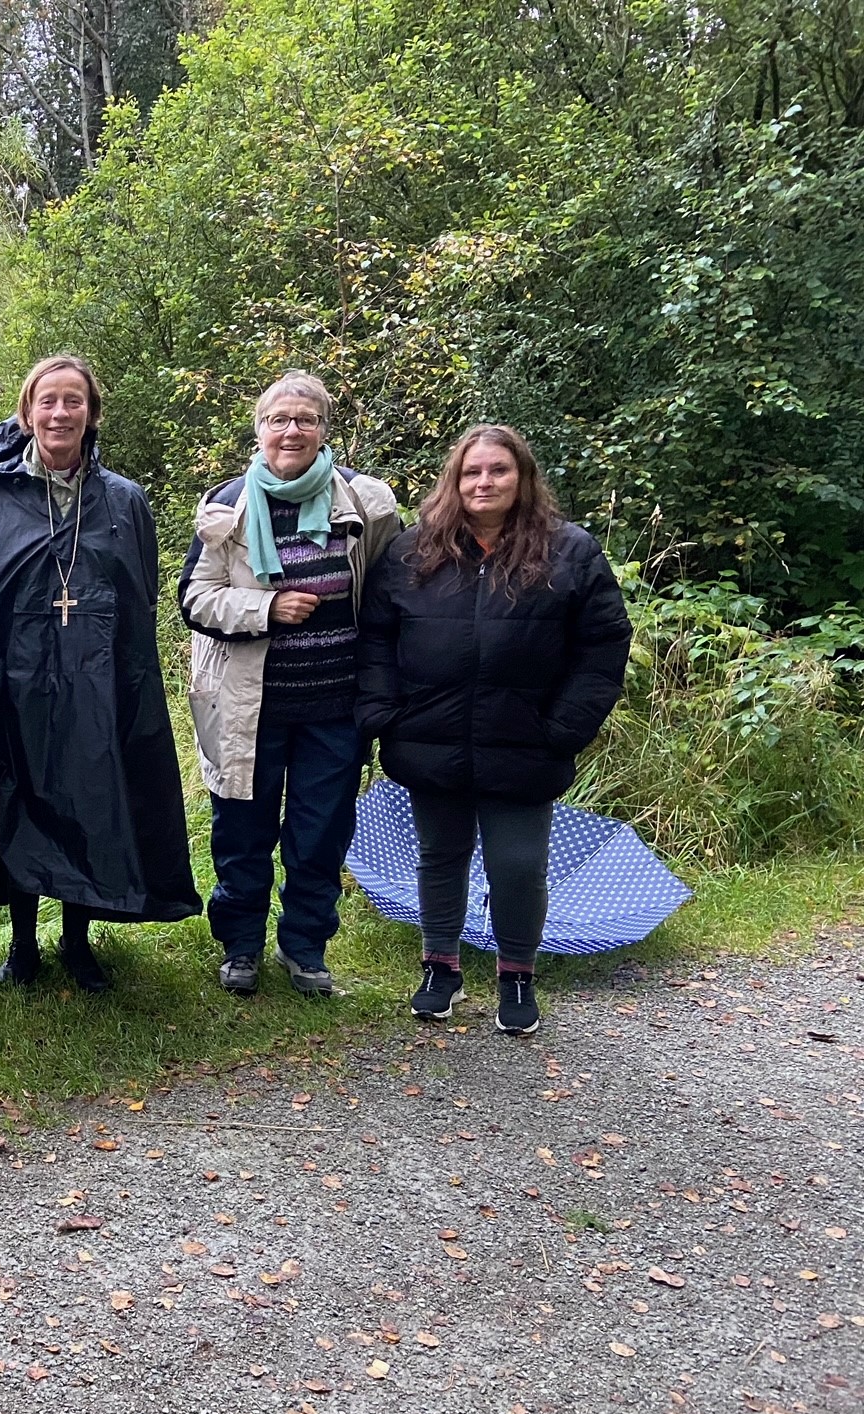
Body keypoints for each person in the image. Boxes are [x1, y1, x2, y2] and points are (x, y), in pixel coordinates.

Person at [0, 355, 201, 986]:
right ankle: (22, 945)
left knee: (90, 800)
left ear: (91, 413)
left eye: (74, 401)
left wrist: (127, 685)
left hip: (95, 683)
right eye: (48, 401)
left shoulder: (123, 501)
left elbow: (139, 602)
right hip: (12, 684)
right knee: (16, 798)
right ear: (28, 412)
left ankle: (77, 941)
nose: (60, 413)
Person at [356, 424, 631, 1035]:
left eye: (498, 470)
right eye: (472, 472)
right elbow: (375, 638)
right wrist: (384, 715)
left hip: (526, 743)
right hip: (429, 738)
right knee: (440, 857)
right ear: (454, 481)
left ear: (522, 478)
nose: (484, 482)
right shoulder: (410, 552)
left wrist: (564, 727)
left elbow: (603, 644)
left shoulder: (569, 551)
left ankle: (516, 974)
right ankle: (440, 968)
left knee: (519, 864)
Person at [178, 370, 402, 997]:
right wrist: (267, 610)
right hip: (247, 707)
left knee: (319, 835)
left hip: (336, 707)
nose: (291, 430)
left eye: (306, 419)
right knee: (242, 834)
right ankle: (241, 947)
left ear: (326, 430)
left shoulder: (367, 502)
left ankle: (305, 950)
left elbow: (393, 594)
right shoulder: (228, 504)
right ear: (259, 431)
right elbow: (195, 599)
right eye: (278, 419)